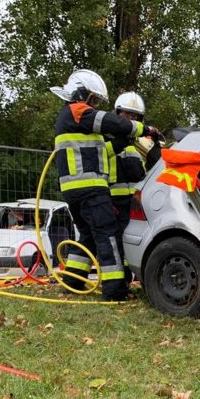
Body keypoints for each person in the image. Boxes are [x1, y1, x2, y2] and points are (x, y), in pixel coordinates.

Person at [50, 69, 158, 300]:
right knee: (107, 235)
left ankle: (73, 281)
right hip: (89, 188)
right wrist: (144, 130)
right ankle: (115, 290)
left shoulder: (69, 119)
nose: (95, 105)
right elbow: (108, 121)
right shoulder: (77, 111)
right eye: (94, 100)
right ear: (81, 94)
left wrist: (119, 143)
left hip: (74, 189)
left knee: (88, 234)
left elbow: (101, 151)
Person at [106, 91, 158, 283]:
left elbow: (154, 167)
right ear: (118, 114)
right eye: (127, 114)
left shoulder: (142, 142)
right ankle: (120, 281)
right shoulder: (106, 137)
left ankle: (134, 279)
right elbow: (98, 162)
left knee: (135, 240)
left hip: (136, 201)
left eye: (135, 116)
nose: (131, 119)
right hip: (114, 201)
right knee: (117, 241)